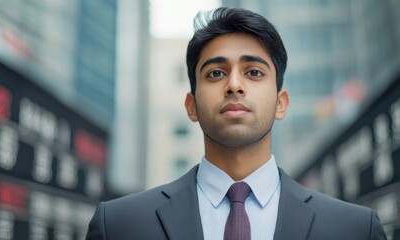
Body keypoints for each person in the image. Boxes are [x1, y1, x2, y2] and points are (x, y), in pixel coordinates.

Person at [86, 7, 387, 240]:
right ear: (191, 106)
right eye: (215, 73)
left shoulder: (356, 228)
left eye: (254, 72)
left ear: (281, 103)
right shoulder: (119, 224)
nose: (234, 85)